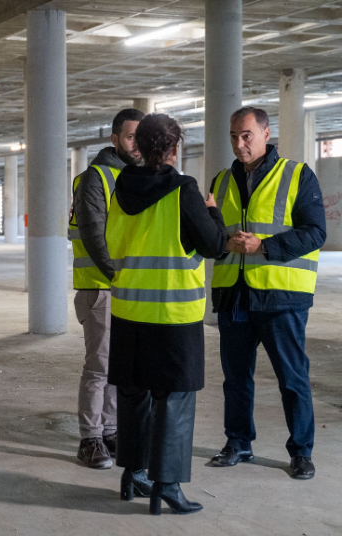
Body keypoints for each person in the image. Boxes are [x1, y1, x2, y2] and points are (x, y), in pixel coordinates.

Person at [106, 113, 227, 515]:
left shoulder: (121, 188)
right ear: (175, 147)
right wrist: (213, 212)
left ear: (138, 145)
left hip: (129, 311)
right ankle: (168, 486)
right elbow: (213, 245)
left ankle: (133, 475)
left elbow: (111, 242)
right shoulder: (183, 189)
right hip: (173, 314)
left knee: (134, 394)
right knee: (174, 399)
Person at [208, 106, 325, 480]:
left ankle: (301, 452)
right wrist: (222, 240)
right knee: (235, 378)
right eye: (233, 136)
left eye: (246, 135)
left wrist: (263, 246)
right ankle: (238, 442)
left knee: (292, 377)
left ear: (265, 134)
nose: (239, 144)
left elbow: (315, 233)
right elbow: (213, 236)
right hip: (235, 294)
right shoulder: (221, 181)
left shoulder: (296, 175)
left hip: (281, 296)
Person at [68, 108, 145, 469]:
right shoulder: (95, 177)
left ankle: (111, 430)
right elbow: (95, 236)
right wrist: (119, 277)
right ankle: (90, 438)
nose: (137, 144)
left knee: (120, 367)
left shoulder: (138, 177)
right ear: (115, 139)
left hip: (129, 289)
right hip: (101, 288)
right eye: (130, 137)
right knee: (99, 367)